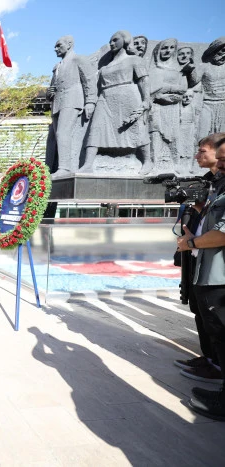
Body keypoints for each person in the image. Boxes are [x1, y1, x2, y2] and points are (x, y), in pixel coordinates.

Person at [177, 134, 225, 420]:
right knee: (216, 333)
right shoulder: (219, 186)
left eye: (223, 158)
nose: (219, 164)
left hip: (219, 276)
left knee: (221, 333)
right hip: (209, 271)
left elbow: (222, 234)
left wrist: (191, 243)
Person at [80, 31, 152, 175]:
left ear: (125, 41)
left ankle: (148, 161)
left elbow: (144, 80)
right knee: (96, 128)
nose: (111, 43)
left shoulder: (134, 60)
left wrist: (146, 100)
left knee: (137, 129)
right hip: (105, 98)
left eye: (115, 40)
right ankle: (88, 164)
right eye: (110, 41)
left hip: (128, 96)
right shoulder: (104, 68)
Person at [46, 35, 96, 175]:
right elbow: (51, 88)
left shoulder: (79, 59)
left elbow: (89, 80)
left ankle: (64, 168)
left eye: (59, 45)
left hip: (72, 100)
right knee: (58, 136)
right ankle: (61, 167)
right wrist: (49, 93)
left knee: (63, 132)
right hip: (57, 103)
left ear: (69, 44)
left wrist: (90, 101)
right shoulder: (57, 66)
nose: (55, 48)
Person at [148, 38, 187, 174]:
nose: (168, 51)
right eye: (164, 48)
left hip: (173, 108)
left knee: (174, 135)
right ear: (158, 51)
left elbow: (183, 89)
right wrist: (161, 94)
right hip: (157, 107)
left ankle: (176, 164)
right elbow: (150, 90)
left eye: (171, 48)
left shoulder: (178, 71)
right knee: (156, 133)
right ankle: (155, 163)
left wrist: (167, 90)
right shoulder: (153, 70)